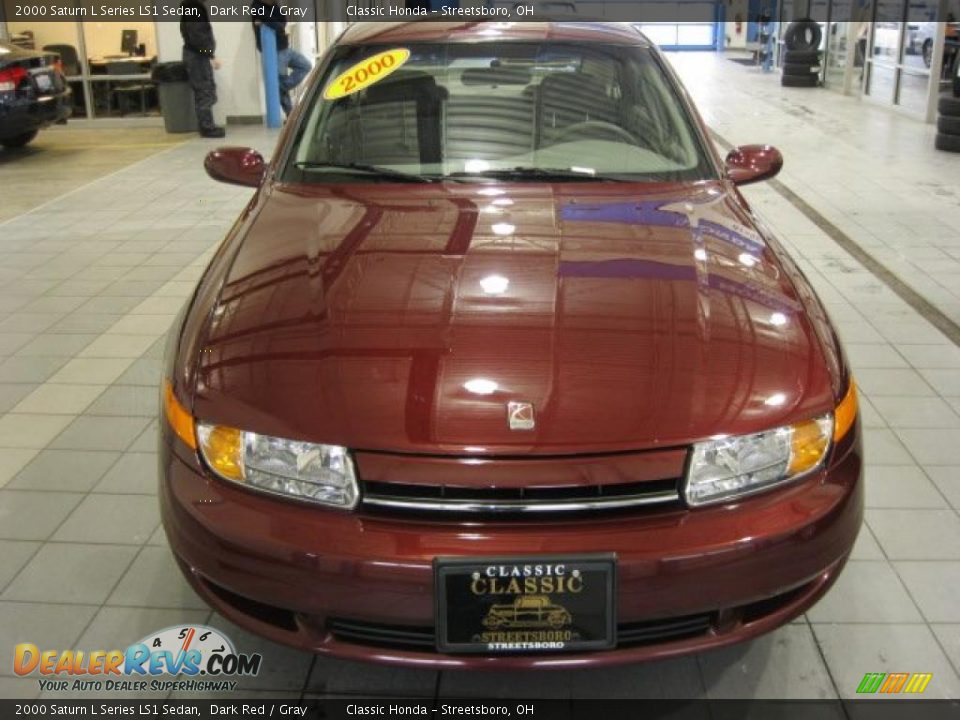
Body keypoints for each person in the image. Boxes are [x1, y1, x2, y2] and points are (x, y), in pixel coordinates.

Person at [251, 0, 312, 117]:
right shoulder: (256, 6)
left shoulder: (274, 5)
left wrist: (272, 23)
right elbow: (274, 23)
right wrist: (274, 24)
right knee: (281, 77)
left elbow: (283, 22)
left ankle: (279, 87)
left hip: (285, 47)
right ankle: (290, 114)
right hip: (273, 50)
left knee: (305, 65)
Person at [180, 0, 225, 138]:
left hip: (196, 55)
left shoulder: (190, 6)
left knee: (204, 90)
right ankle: (207, 127)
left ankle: (207, 125)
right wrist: (210, 54)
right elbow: (198, 36)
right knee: (204, 90)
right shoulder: (193, 8)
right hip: (197, 56)